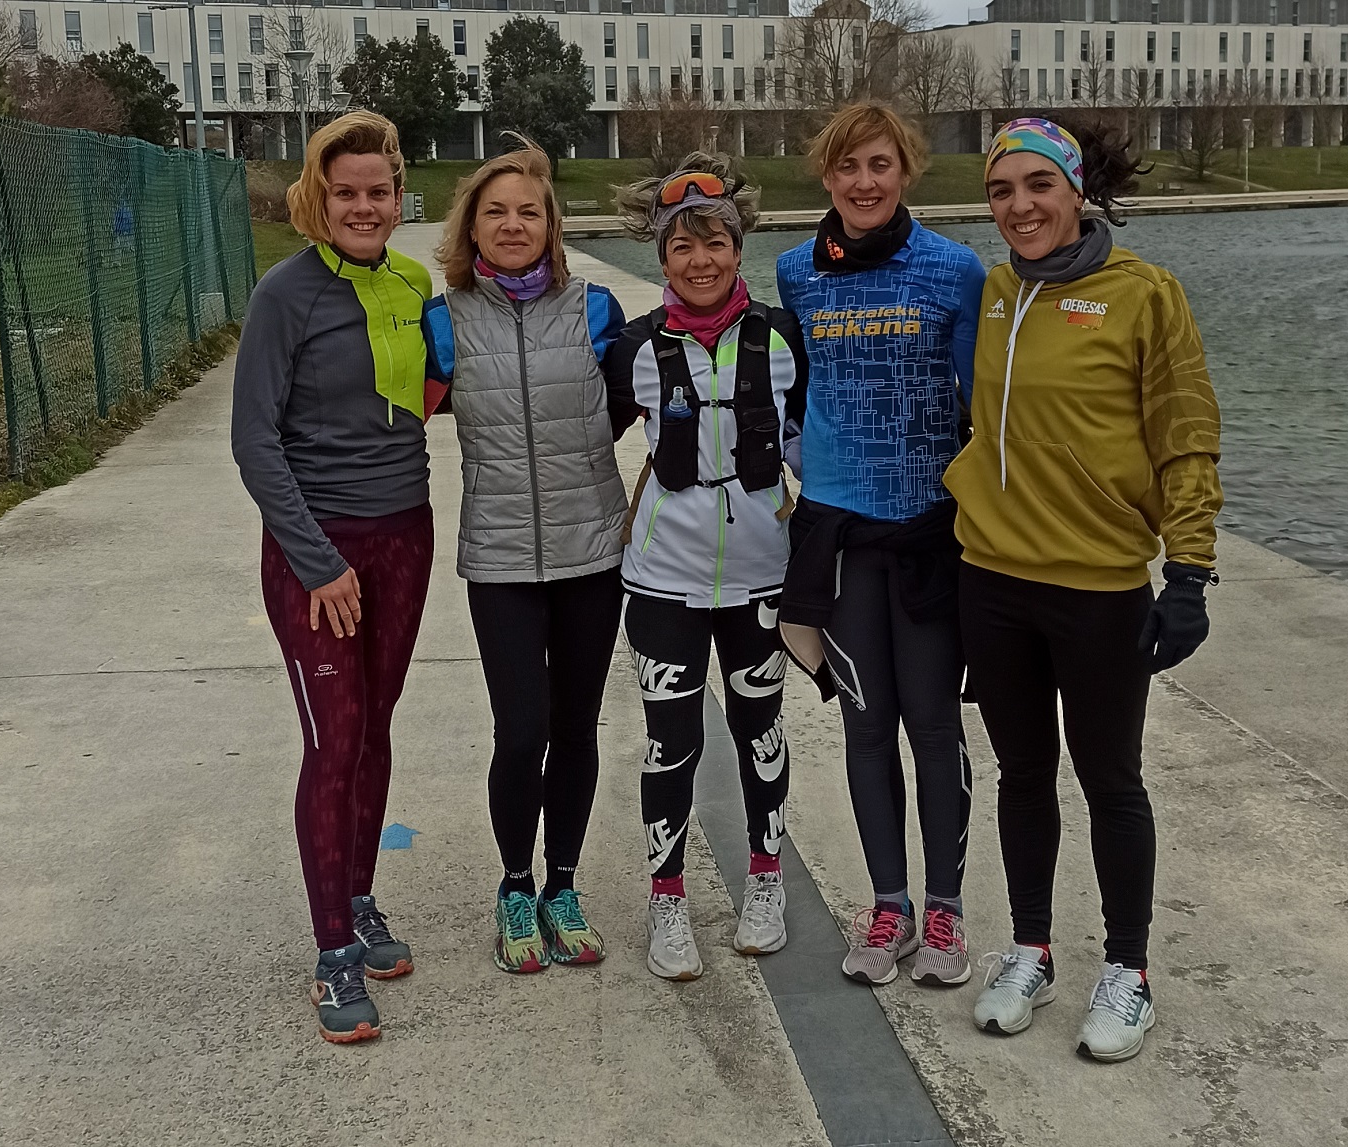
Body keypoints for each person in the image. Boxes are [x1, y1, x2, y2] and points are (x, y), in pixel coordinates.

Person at [944, 118, 1223, 1063]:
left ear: (1075, 192)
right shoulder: (991, 292)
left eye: (1037, 186)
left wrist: (1186, 571)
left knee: (1110, 779)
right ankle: (1029, 949)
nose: (1018, 206)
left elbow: (1185, 434)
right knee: (1021, 774)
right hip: (990, 580)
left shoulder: (1143, 294)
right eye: (1000, 190)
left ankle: (1128, 973)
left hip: (1099, 586)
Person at [231, 111, 435, 1044]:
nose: (362, 205)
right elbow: (254, 440)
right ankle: (330, 954)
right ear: (319, 197)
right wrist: (319, 562)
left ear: (398, 196)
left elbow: (428, 399)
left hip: (406, 534)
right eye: (344, 191)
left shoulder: (411, 279)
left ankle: (358, 898)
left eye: (377, 190)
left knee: (376, 732)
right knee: (333, 739)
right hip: (319, 552)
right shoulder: (285, 294)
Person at [775, 103, 986, 989]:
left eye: (880, 164)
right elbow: (794, 393)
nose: (864, 182)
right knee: (866, 726)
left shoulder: (955, 268)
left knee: (934, 727)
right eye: (847, 167)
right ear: (826, 177)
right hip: (841, 535)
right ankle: (888, 902)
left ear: (906, 171)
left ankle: (944, 909)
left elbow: (983, 404)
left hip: (931, 537)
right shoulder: (795, 273)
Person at [422, 139, 635, 975]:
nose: (513, 224)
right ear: (471, 223)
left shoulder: (595, 310)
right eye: (496, 210)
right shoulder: (442, 321)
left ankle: (563, 884)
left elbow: (626, 406)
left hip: (592, 552)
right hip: (501, 557)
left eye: (529, 211)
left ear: (552, 226)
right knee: (521, 731)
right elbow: (393, 416)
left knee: (577, 727)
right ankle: (515, 885)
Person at [606, 157, 809, 980]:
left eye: (715, 242)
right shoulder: (634, 349)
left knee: (761, 733)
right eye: (683, 246)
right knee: (669, 745)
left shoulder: (781, 336)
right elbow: (580, 444)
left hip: (762, 575)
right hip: (664, 579)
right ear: (661, 258)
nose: (700, 260)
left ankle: (766, 882)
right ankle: (666, 897)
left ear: (738, 247)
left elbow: (810, 453)